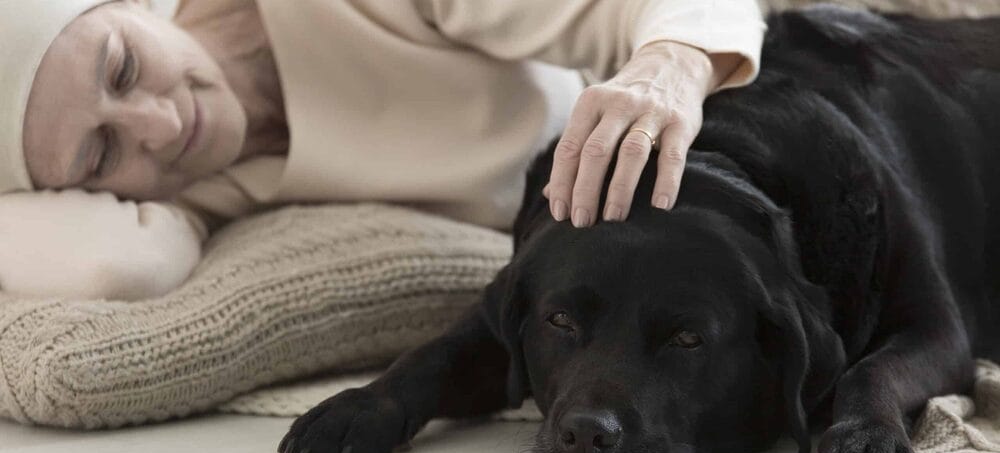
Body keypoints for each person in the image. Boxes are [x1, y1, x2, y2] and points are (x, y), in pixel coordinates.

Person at [0, 0, 766, 300]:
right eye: (100, 153)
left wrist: (671, 67)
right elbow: (112, 270)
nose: (160, 127)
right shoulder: (180, 195)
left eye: (124, 67)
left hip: (720, 103)